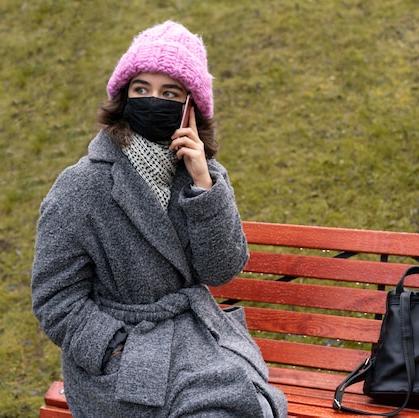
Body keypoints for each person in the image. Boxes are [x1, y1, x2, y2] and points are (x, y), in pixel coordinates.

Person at [31, 21, 288, 417]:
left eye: (170, 93)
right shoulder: (81, 186)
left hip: (196, 341)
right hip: (122, 364)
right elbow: (55, 300)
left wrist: (204, 186)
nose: (154, 100)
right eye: (142, 90)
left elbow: (221, 271)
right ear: (123, 97)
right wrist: (114, 348)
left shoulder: (202, 174)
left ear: (190, 109)